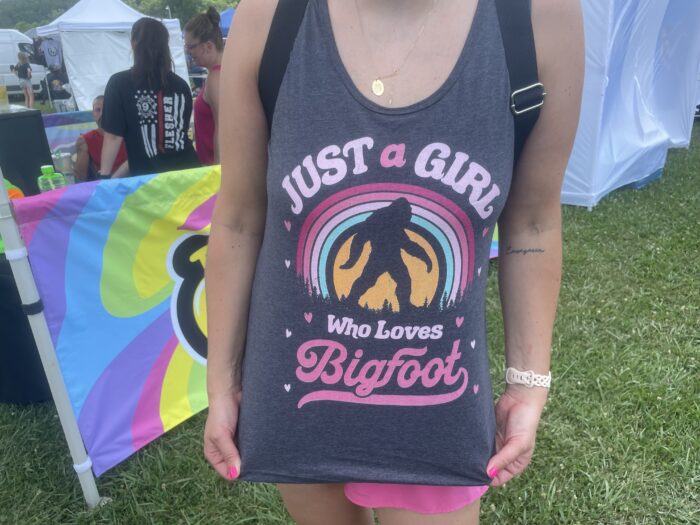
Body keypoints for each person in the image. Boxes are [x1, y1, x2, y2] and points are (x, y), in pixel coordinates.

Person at [204, 1, 584, 524]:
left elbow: (533, 224)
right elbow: (240, 220)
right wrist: (221, 380)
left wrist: (527, 383)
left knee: (396, 279)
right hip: (300, 397)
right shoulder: (271, 15)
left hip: (438, 411)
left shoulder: (538, 17)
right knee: (371, 278)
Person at [100, 18, 200, 178]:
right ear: (165, 46)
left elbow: (113, 136)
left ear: (134, 44)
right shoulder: (181, 86)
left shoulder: (119, 83)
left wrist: (104, 176)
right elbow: (178, 133)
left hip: (150, 183)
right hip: (189, 175)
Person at [185, 7, 225, 165]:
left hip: (215, 170)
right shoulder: (220, 74)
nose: (188, 52)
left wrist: (217, 171)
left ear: (208, 46)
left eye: (191, 47)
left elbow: (223, 130)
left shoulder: (216, 78)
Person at [74, 96, 129, 181]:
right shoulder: (85, 140)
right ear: (93, 114)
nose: (102, 114)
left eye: (107, 110)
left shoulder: (129, 135)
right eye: (97, 110)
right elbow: (80, 178)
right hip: (101, 188)